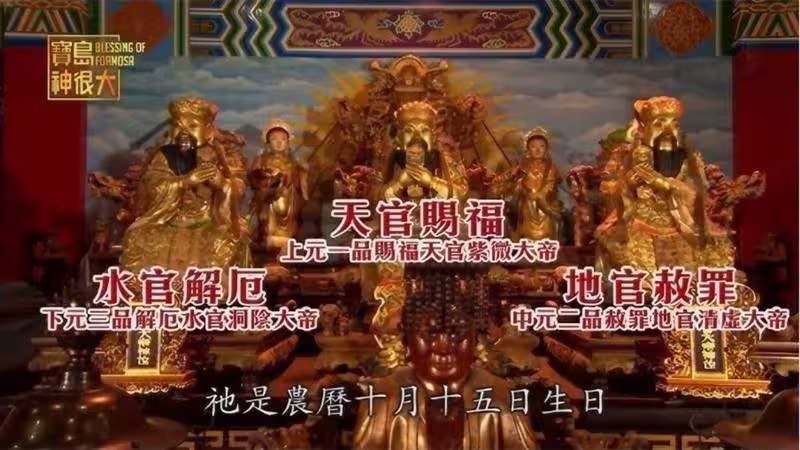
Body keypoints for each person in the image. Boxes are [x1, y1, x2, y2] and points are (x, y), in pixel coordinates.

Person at [354, 265, 539, 450]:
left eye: (457, 333)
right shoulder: (382, 397)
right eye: (430, 334)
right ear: (407, 342)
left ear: (476, 341)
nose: (443, 347)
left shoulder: (504, 396)